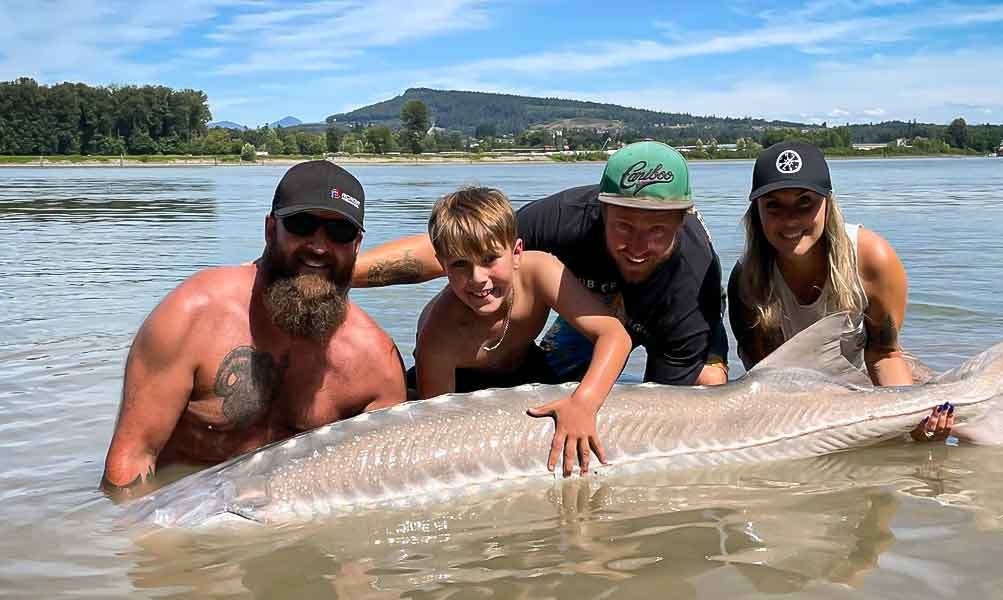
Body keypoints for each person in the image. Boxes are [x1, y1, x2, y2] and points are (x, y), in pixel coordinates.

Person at [102, 160, 406, 494]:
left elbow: (380, 486)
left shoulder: (377, 363)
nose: (319, 246)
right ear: (270, 229)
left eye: (339, 232)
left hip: (293, 523)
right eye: (302, 224)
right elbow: (131, 461)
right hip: (185, 517)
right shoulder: (193, 315)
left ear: (357, 244)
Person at [356, 141, 730, 387]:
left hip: (669, 315)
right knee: (557, 388)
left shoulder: (695, 278)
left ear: (682, 221)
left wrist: (585, 404)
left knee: (704, 388)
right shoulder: (564, 218)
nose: (637, 245)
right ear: (600, 211)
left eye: (657, 230)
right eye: (624, 225)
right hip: (593, 307)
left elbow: (659, 410)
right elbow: (468, 244)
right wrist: (338, 272)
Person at [727, 141, 951, 441]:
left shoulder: (873, 259)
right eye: (774, 205)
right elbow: (766, 379)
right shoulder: (746, 281)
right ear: (756, 211)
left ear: (827, 203)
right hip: (797, 394)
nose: (790, 219)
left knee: (937, 429)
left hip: (868, 380)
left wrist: (913, 420)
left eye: (804, 202)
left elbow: (884, 354)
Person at [413, 186, 632, 476]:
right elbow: (440, 428)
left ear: (516, 252)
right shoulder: (437, 335)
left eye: (490, 259)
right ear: (443, 266)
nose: (478, 279)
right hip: (466, 385)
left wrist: (584, 402)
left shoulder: (539, 270)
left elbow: (615, 335)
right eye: (460, 265)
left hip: (527, 365)